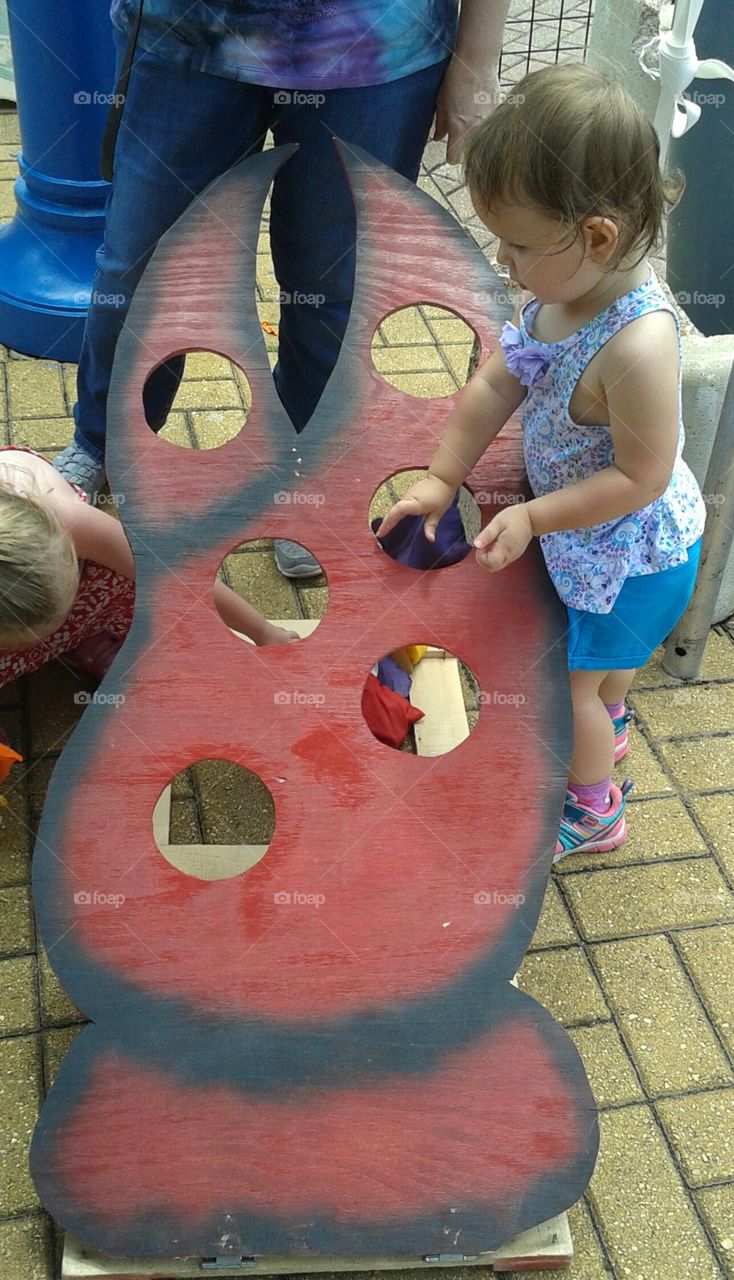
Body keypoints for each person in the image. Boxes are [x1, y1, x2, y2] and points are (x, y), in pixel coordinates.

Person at [53, 0, 510, 579]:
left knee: (332, 290)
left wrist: (476, 59)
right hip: (188, 34)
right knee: (140, 269)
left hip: (376, 45)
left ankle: (303, 473)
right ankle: (100, 444)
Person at [376, 63, 706, 860]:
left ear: (596, 234)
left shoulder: (638, 343)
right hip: (601, 545)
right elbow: (501, 376)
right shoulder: (564, 291)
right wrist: (441, 476)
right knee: (601, 677)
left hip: (634, 558)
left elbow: (642, 479)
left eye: (518, 243)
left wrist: (530, 515)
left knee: (566, 694)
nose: (503, 260)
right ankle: (610, 722)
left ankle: (595, 812)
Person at [0, 446, 297, 699]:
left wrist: (264, 632)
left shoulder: (68, 520)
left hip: (77, 559)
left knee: (132, 573)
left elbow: (174, 574)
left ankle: (87, 636)